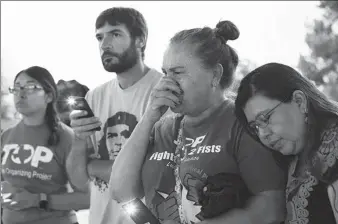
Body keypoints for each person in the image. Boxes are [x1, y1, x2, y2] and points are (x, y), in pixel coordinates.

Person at [110, 21, 286, 224]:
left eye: (177, 73)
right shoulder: (161, 128)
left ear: (215, 75)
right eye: (165, 73)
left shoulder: (242, 123)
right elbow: (121, 191)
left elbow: (271, 208)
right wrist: (149, 116)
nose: (166, 83)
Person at [66, 7, 164, 224]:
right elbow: (78, 179)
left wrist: (94, 166)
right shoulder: (94, 96)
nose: (104, 44)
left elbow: (151, 174)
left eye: (115, 34)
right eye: (100, 37)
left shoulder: (161, 91)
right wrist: (79, 139)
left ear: (140, 40)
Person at [234, 62, 338, 224]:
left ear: (299, 101)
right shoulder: (292, 158)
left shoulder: (336, 146)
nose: (263, 134)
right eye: (255, 127)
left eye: (266, 118)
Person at [1, 66, 90, 224]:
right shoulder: (6, 136)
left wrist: (38, 200)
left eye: (30, 87)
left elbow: (87, 198)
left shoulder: (67, 138)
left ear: (49, 96)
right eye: (16, 88)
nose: (21, 93)